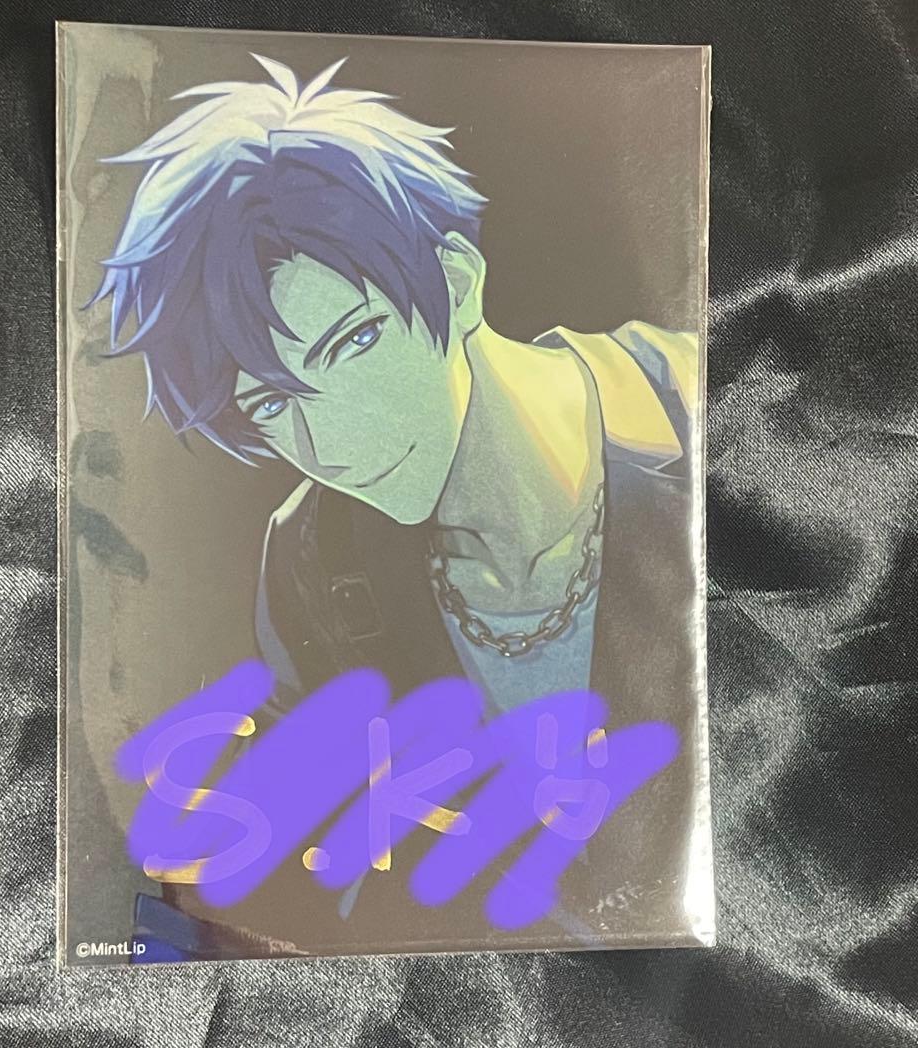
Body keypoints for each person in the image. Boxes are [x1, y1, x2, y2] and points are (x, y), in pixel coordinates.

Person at [95, 54, 703, 958]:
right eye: (274, 405)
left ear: (456, 282)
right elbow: (306, 875)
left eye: (356, 342)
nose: (335, 442)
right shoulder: (309, 557)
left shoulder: (697, 407)